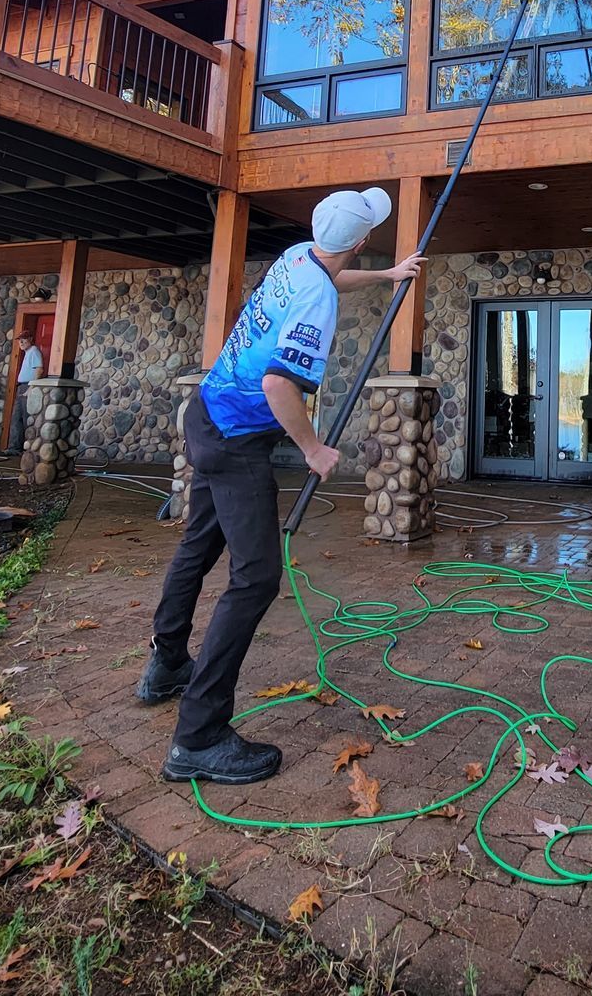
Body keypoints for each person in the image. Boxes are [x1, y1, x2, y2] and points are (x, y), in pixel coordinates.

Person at [138, 187, 422, 785]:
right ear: (362, 238)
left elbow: (330, 278)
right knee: (257, 577)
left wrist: (389, 276)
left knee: (199, 544)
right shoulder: (313, 297)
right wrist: (314, 449)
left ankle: (166, 664)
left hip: (206, 416)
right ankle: (199, 736)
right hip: (238, 439)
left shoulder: (300, 255)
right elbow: (278, 385)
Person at [7, 332, 43, 453]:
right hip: (22, 386)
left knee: (26, 418)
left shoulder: (33, 351)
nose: (21, 342)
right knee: (17, 418)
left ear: (30, 339)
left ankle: (28, 447)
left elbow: (39, 369)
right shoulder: (28, 353)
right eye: (19, 340)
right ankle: (15, 447)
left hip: (27, 386)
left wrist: (31, 387)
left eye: (24, 339)